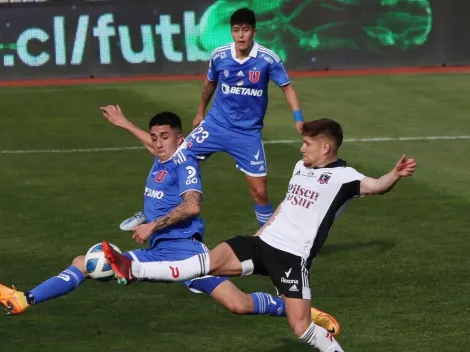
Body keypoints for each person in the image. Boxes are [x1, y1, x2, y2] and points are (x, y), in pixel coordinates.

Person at [0, 108, 339, 337]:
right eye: (154, 136)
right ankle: (25, 298)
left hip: (186, 255)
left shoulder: (185, 164)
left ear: (180, 139)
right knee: (84, 262)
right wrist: (124, 124)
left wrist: (153, 225)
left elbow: (192, 206)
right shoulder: (164, 155)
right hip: (158, 251)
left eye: (164, 136)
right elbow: (153, 146)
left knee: (241, 304)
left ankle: (305, 312)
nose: (157, 142)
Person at [103, 118, 417, 351]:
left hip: (292, 258)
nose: (301, 147)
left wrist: (395, 174)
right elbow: (286, 204)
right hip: (262, 242)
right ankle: (133, 268)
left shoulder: (345, 178)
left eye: (307, 143)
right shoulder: (300, 167)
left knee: (301, 327)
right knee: (203, 263)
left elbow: (377, 186)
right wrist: (262, 231)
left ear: (325, 147)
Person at [120, 7, 304, 232]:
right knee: (174, 156)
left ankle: (270, 240)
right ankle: (149, 212)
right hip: (215, 126)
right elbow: (209, 85)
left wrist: (298, 118)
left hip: (247, 134)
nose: (241, 35)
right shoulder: (220, 56)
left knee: (260, 192)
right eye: (236, 30)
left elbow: (287, 87)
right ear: (231, 32)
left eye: (245, 30)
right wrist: (200, 113)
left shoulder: (267, 59)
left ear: (254, 31)